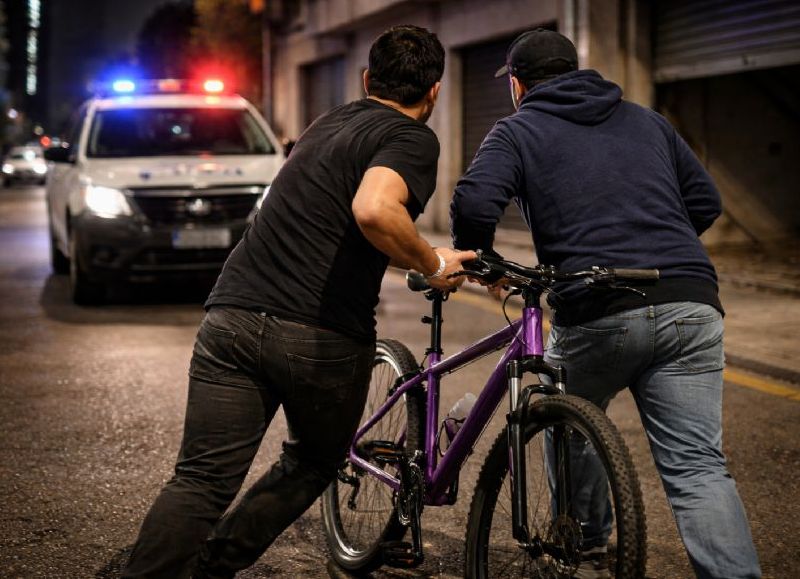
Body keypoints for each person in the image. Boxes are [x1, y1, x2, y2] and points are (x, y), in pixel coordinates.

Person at [122, 25, 475, 579]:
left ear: (366, 80)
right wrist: (431, 264)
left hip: (232, 315)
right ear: (434, 91)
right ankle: (214, 568)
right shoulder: (411, 137)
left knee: (200, 480)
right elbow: (376, 210)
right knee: (313, 460)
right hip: (318, 333)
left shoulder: (327, 123)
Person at [450, 28, 761, 579]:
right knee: (697, 469)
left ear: (517, 84)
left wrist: (483, 261)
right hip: (689, 299)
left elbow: (475, 201)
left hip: (597, 304)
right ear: (578, 71)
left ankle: (587, 548)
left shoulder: (517, 129)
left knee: (569, 426)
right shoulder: (646, 119)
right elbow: (705, 202)